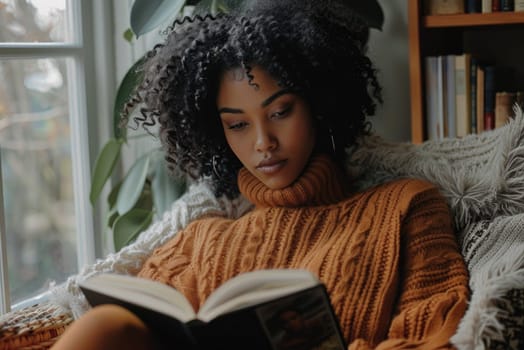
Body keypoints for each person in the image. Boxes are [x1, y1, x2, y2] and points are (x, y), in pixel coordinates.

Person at [51, 1, 469, 349]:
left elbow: (435, 334)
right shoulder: (202, 240)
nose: (263, 142)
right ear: (216, 133)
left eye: (280, 112)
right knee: (104, 324)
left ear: (320, 103)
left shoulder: (405, 207)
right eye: (238, 125)